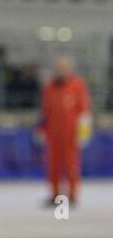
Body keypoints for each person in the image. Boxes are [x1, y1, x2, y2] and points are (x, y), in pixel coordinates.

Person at [37, 55, 93, 206]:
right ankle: (55, 195)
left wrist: (84, 133)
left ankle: (73, 195)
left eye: (64, 68)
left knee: (71, 165)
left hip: (71, 134)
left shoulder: (78, 85)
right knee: (53, 165)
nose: (61, 71)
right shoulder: (49, 87)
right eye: (59, 68)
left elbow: (84, 111)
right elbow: (45, 111)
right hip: (53, 133)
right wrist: (41, 129)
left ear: (70, 69)